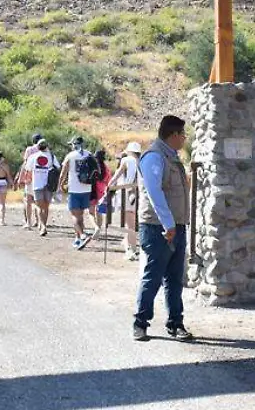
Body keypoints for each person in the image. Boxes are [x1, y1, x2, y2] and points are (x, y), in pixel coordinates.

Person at [133, 115, 194, 342]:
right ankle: (140, 322)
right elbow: (154, 192)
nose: (184, 140)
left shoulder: (171, 157)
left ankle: (176, 323)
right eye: (183, 135)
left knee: (175, 278)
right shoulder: (154, 157)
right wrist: (168, 224)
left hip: (175, 226)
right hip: (158, 226)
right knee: (154, 276)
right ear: (174, 135)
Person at [108, 141, 143, 261]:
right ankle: (128, 246)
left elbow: (117, 175)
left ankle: (132, 250)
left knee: (130, 225)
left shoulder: (126, 160)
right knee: (132, 222)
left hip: (126, 194)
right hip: (138, 195)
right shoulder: (141, 162)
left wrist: (109, 185)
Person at [61, 137, 97, 250]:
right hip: (86, 189)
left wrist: (60, 184)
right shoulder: (90, 155)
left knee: (74, 215)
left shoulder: (70, 156)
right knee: (80, 215)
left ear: (74, 145)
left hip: (74, 189)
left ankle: (82, 234)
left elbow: (63, 172)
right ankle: (78, 239)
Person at [24, 139, 57, 236]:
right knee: (46, 207)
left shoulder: (33, 157)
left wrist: (26, 180)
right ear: (47, 146)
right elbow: (58, 168)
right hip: (49, 185)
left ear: (38, 147)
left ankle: (43, 226)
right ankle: (43, 226)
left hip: (37, 185)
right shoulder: (51, 156)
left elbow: (28, 170)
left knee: (39, 206)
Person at [20, 134, 43, 230]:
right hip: (41, 178)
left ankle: (29, 222)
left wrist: (21, 177)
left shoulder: (29, 150)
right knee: (39, 202)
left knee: (28, 201)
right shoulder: (44, 150)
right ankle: (39, 223)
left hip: (30, 178)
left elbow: (25, 164)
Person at [90, 148, 112, 235]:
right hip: (102, 190)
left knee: (91, 212)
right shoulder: (106, 168)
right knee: (98, 212)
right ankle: (99, 228)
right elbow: (109, 180)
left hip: (92, 190)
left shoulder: (93, 167)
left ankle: (96, 228)